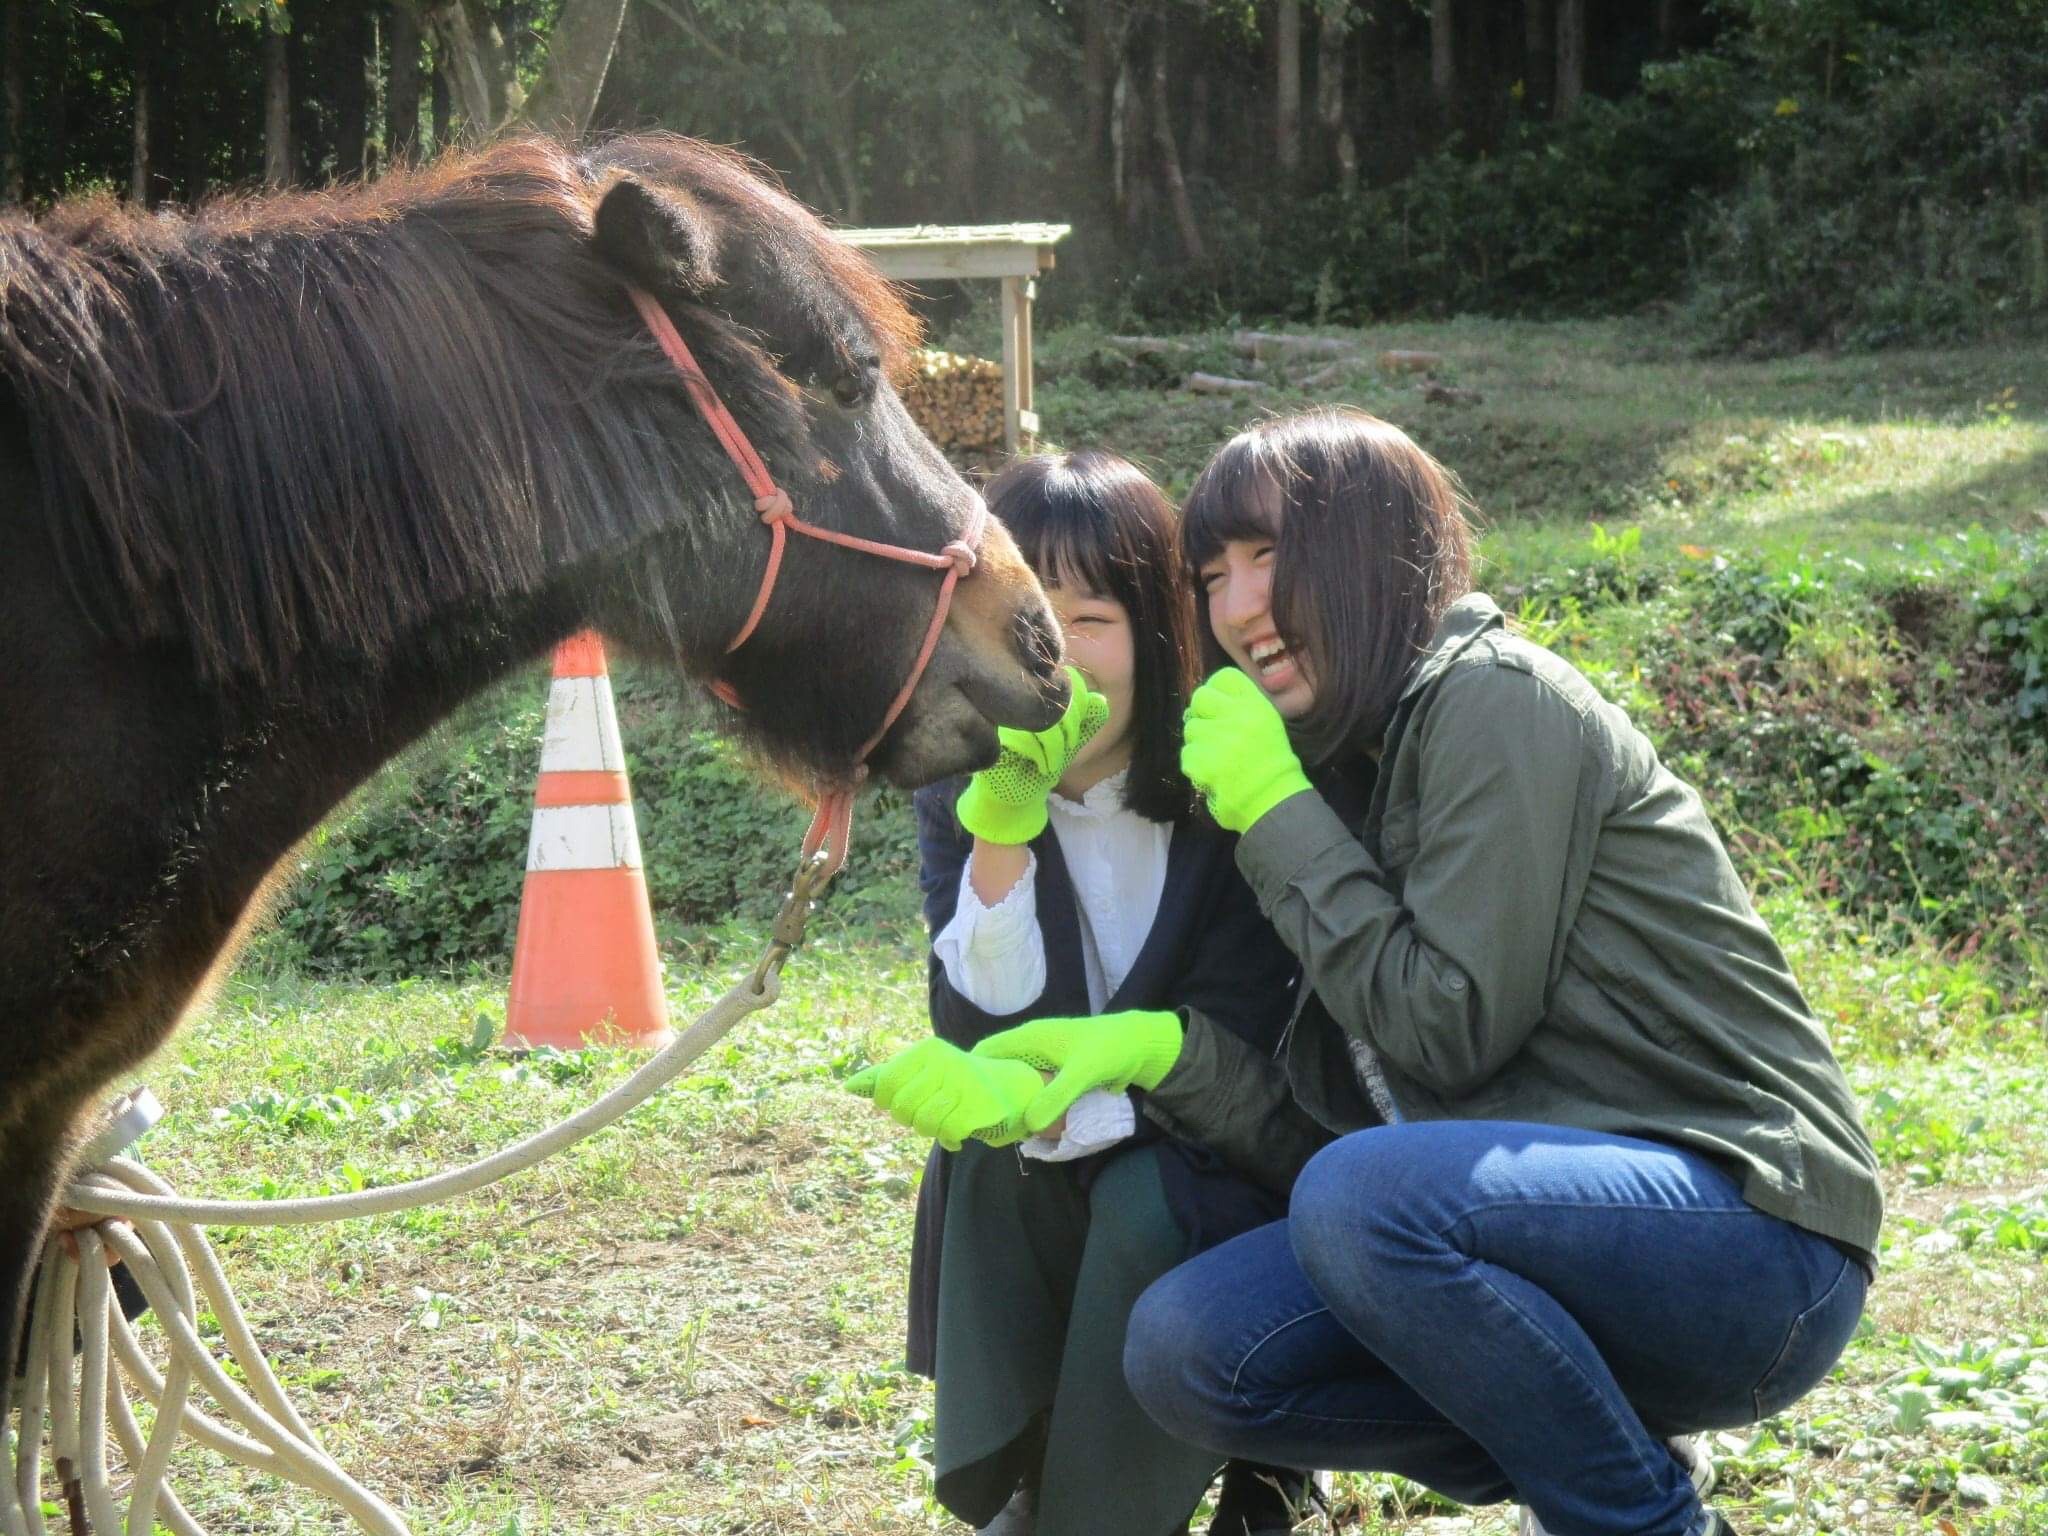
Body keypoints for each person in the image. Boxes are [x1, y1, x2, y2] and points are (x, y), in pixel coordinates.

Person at [960, 409, 1883, 1536]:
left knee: (1367, 1198)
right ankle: (1603, 1449)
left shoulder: (1493, 699)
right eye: (1212, 574)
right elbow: (1340, 1131)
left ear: (1370, 554)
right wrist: (1164, 1053)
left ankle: (1637, 1520)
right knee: (1192, 1346)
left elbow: (1446, 1034)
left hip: (1749, 1238)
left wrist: (1273, 814)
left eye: (1270, 557)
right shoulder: (1331, 764)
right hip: (1531, 1235)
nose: (1236, 607)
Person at [847, 451, 1312, 1536]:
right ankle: (1018, 1475)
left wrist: (1083, 1106)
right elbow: (971, 1035)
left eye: (1089, 620)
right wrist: (999, 841)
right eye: (1024, 617)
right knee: (989, 1162)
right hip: (1057, 1139)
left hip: (1218, 1143)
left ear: (1156, 638)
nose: (1052, 661)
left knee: (1143, 1201)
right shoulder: (968, 791)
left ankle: (1147, 1496)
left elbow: (1241, 1041)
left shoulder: (1220, 785)